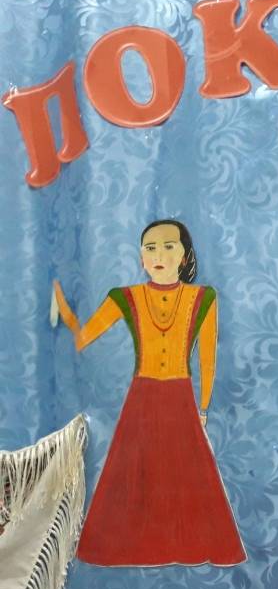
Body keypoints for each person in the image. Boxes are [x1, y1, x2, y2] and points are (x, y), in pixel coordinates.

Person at [51, 219, 244, 566]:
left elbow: (207, 359)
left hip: (181, 398)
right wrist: (61, 303)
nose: (159, 255)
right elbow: (83, 338)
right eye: (150, 248)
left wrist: (202, 409)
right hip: (142, 398)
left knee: (184, 479)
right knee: (135, 477)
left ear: (185, 256)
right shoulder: (126, 297)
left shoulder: (204, 298)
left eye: (169, 246)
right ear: (141, 258)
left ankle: (184, 547)